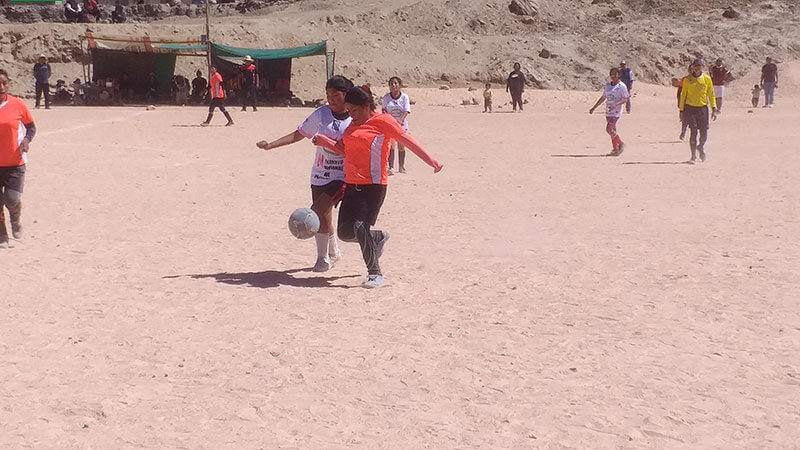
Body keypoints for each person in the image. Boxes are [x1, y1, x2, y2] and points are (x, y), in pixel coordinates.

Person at [313, 86, 443, 288]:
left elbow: (407, 141)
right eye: (349, 111)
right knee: (345, 233)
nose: (351, 115)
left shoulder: (383, 121)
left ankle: (375, 274)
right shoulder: (352, 126)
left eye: (355, 111)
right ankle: (378, 237)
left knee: (359, 226)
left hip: (373, 185)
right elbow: (344, 150)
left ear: (366, 106)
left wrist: (432, 161)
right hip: (351, 183)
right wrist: (325, 141)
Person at [255, 75, 354, 272]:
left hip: (342, 176)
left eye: (335, 96)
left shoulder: (355, 118)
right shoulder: (322, 114)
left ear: (346, 95)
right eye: (328, 95)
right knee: (324, 216)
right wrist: (271, 145)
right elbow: (299, 133)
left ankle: (322, 258)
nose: (331, 100)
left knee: (318, 209)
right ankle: (334, 253)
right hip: (319, 175)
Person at [0, 69, 37, 249]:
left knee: (11, 199)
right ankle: (2, 235)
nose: (1, 87)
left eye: (4, 83)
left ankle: (15, 218)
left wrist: (27, 140)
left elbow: (31, 128)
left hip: (15, 163)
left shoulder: (17, 104)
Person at [679, 59, 718, 164]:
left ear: (702, 67)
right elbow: (683, 95)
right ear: (692, 67)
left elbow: (711, 94)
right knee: (693, 131)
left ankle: (700, 147)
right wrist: (681, 110)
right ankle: (693, 156)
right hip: (690, 109)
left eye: (699, 66)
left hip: (702, 109)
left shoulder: (707, 79)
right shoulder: (687, 79)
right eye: (695, 66)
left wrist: (714, 108)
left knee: (704, 133)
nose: (696, 68)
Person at [589, 67, 629, 156]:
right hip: (608, 111)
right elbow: (603, 97)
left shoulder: (621, 86)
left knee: (609, 129)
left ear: (619, 75)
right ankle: (615, 150)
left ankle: (621, 144)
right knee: (612, 130)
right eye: (612, 74)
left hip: (616, 111)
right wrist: (594, 107)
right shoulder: (608, 86)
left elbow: (626, 99)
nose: (613, 76)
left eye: (615, 74)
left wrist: (616, 105)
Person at [381, 76, 412, 175]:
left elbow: (406, 110)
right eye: (391, 84)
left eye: (395, 83)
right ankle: (391, 167)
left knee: (401, 145)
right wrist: (389, 120)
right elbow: (384, 110)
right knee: (391, 145)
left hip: (401, 124)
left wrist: (400, 120)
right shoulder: (386, 97)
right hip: (390, 124)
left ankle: (401, 167)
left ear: (399, 85)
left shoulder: (404, 97)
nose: (393, 85)